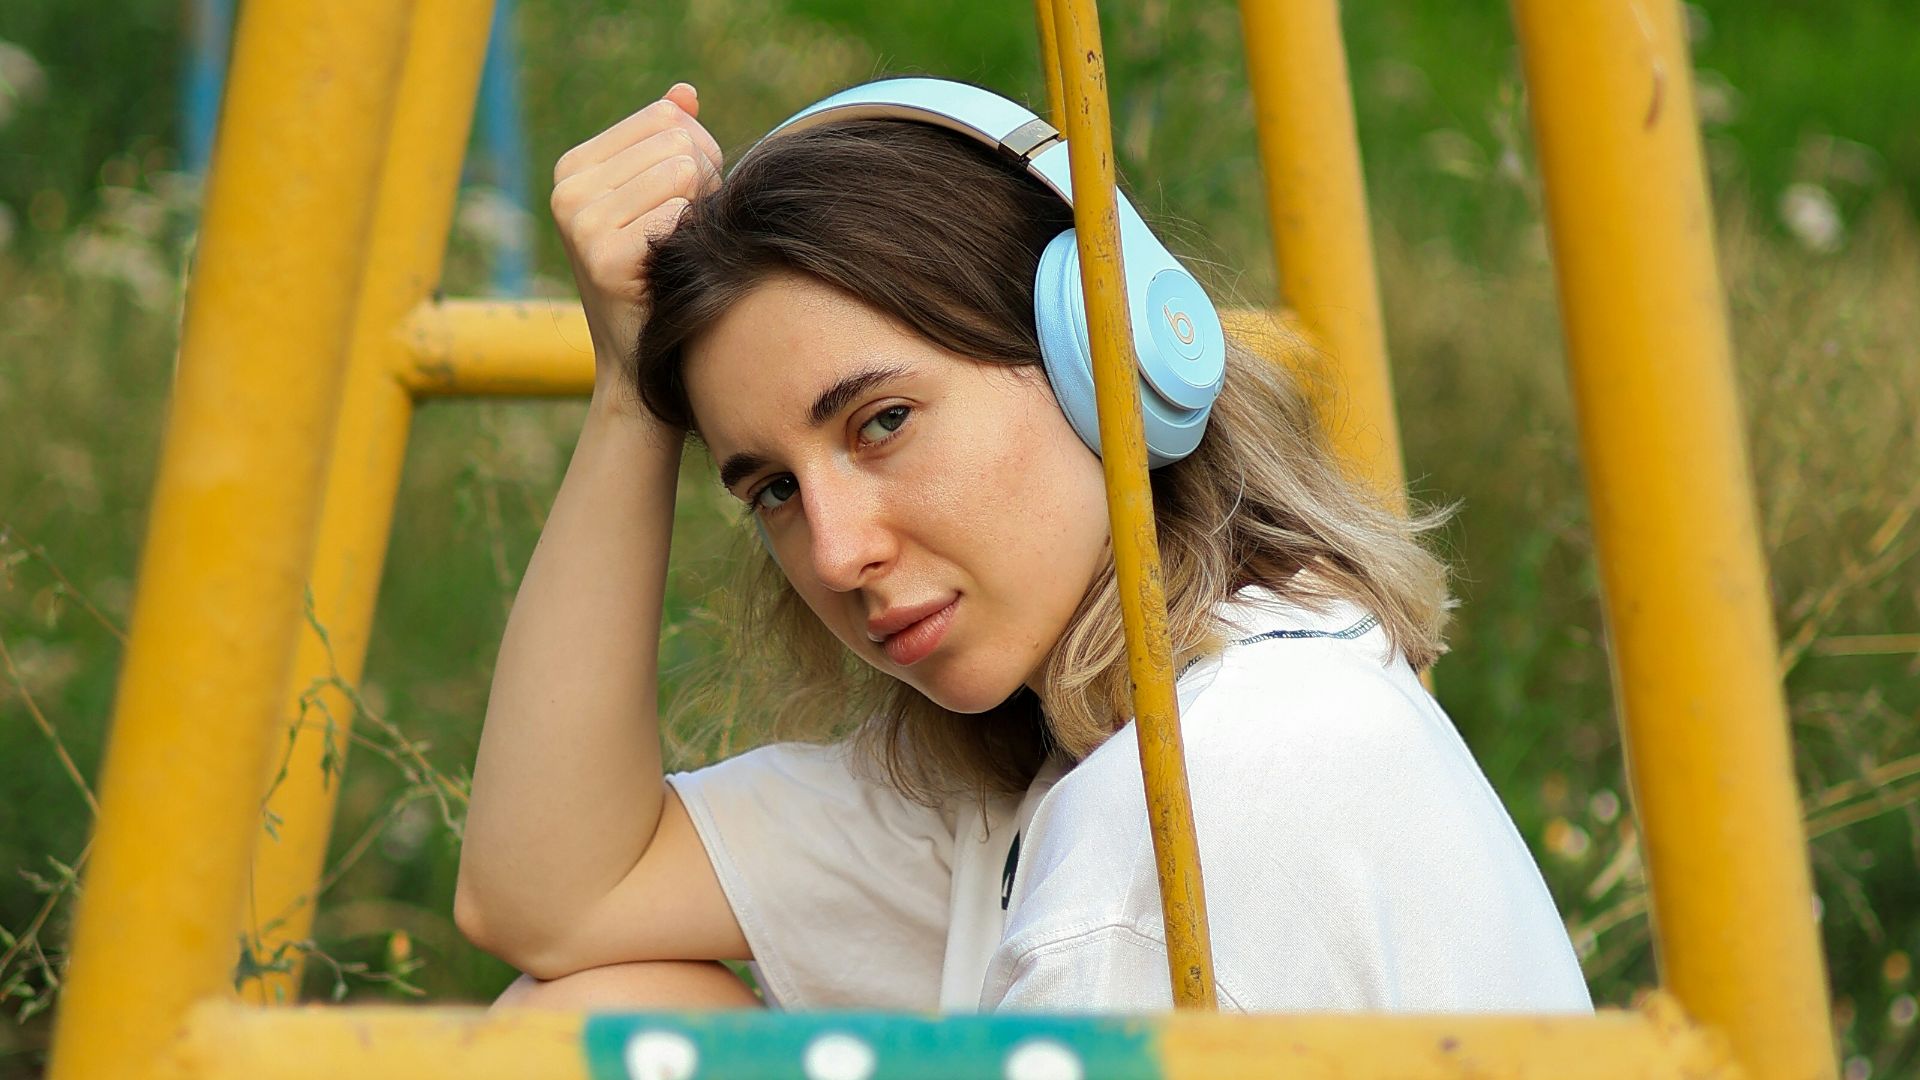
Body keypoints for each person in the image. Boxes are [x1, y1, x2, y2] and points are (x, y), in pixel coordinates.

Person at [454, 76, 1593, 1015]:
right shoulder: (1081, 749)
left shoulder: (1177, 817)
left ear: (1108, 357)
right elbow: (555, 896)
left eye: (883, 423)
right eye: (772, 491)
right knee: (601, 1013)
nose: (838, 551)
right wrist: (629, 403)